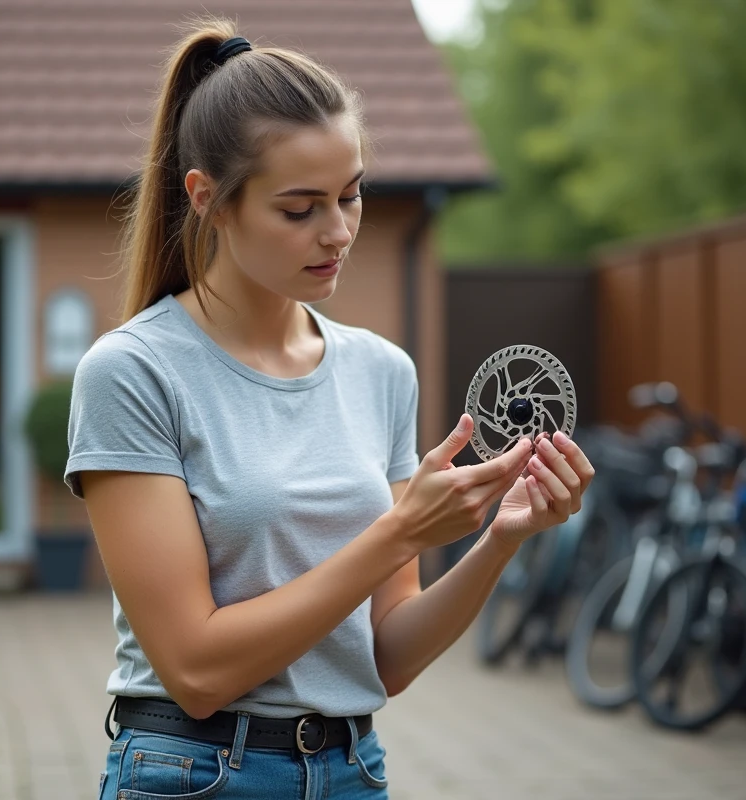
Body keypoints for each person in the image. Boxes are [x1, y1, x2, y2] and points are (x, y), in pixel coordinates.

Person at [64, 18, 594, 800]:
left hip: (351, 771)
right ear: (208, 199)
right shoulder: (134, 373)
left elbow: (387, 658)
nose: (338, 232)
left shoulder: (381, 372)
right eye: (299, 209)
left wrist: (501, 539)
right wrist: (399, 533)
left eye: (350, 195)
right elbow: (196, 672)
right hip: (195, 774)